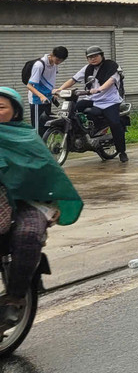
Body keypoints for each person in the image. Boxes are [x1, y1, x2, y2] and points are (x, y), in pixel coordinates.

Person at [0, 86, 83, 329]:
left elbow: (46, 173)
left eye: (1, 107)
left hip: (28, 201)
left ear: (15, 112)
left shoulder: (26, 138)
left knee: (28, 234)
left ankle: (15, 299)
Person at [58, 46, 127, 163]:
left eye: (95, 56)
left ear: (102, 55)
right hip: (93, 99)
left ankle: (122, 151)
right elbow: (73, 79)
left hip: (110, 101)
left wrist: (99, 89)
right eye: (90, 57)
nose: (92, 59)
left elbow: (110, 81)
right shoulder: (87, 68)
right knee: (74, 108)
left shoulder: (112, 66)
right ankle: (81, 134)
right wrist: (59, 89)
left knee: (114, 123)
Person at [24, 45, 68, 131]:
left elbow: (50, 80)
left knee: (46, 126)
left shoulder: (54, 64)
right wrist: (41, 96)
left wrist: (54, 94)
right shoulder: (39, 65)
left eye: (61, 61)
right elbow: (29, 86)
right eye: (58, 59)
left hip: (48, 98)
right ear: (52, 54)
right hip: (37, 100)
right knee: (37, 128)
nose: (59, 62)